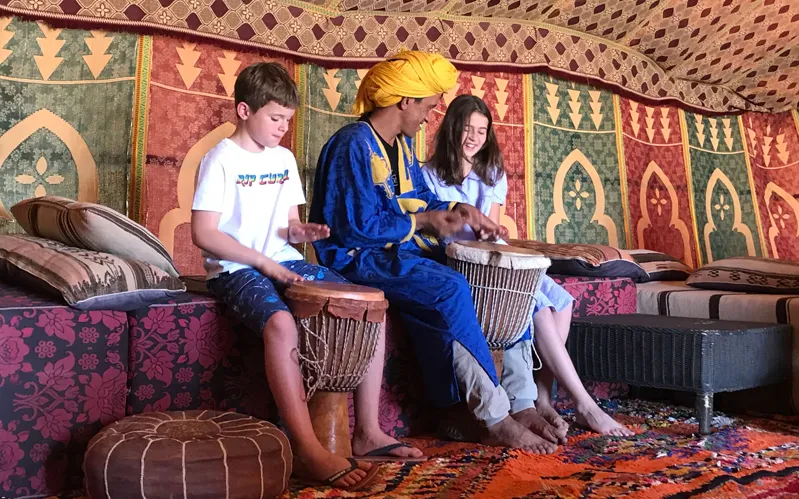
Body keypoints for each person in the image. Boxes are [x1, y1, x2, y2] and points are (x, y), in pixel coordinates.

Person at [309, 51, 562, 455]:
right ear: (404, 101)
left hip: (395, 252)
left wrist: (460, 212)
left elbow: (421, 198)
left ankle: (511, 403)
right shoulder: (352, 145)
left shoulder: (402, 147)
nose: (430, 115)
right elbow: (353, 227)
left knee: (489, 285)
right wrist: (424, 222)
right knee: (449, 289)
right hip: (358, 257)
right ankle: (495, 417)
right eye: (427, 106)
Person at [190, 62, 423, 492]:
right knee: (280, 324)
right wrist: (262, 262)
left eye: (287, 120)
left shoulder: (282, 159)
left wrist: (301, 233)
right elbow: (204, 233)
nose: (282, 128)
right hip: (236, 268)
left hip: (281, 257)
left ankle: (367, 430)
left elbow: (286, 227)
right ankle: (306, 448)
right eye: (275, 118)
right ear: (244, 110)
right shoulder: (220, 159)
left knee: (368, 304)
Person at [422, 94, 634, 439]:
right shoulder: (429, 175)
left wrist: (494, 232)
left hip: (495, 253)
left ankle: (543, 398)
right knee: (534, 306)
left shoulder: (490, 173)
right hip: (461, 258)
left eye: (482, 130)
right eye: (467, 128)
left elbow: (491, 229)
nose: (474, 137)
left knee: (561, 301)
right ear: (451, 129)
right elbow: (441, 231)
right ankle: (584, 404)